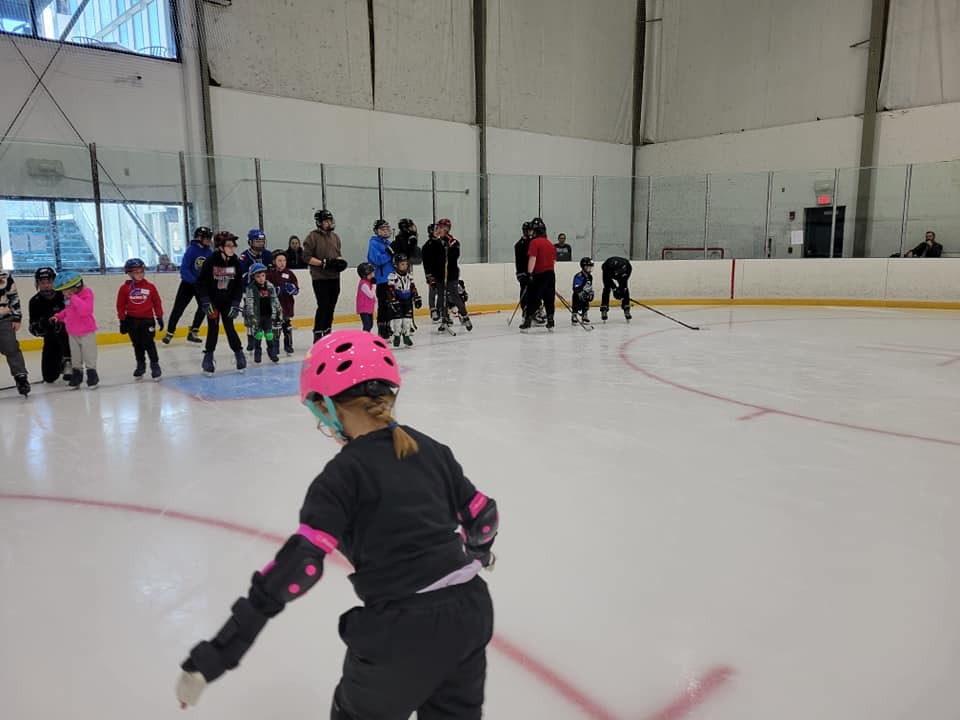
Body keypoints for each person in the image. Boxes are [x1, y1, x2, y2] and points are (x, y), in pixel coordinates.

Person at [175, 330, 497, 720]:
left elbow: (300, 567)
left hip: (402, 631)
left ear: (326, 405)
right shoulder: (430, 449)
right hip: (471, 611)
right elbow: (482, 518)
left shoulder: (340, 477)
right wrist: (479, 555)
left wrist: (218, 654)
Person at [195, 231, 247, 376]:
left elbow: (238, 286)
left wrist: (236, 303)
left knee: (230, 327)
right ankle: (208, 357)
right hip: (213, 303)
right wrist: (205, 301)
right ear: (220, 247)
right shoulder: (210, 262)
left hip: (228, 302)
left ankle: (239, 354)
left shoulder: (236, 262)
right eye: (229, 245)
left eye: (234, 245)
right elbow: (201, 284)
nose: (233, 248)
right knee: (213, 328)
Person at [303, 209, 348, 342]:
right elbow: (306, 257)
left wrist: (339, 262)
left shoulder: (335, 237)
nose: (329, 223)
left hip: (334, 277)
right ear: (319, 223)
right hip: (320, 277)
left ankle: (328, 330)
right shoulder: (312, 237)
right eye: (326, 221)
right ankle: (318, 332)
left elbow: (337, 253)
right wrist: (322, 263)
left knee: (331, 306)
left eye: (330, 221)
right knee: (323, 305)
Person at [163, 226, 213, 345]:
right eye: (207, 238)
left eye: (210, 238)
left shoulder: (209, 252)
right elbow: (184, 269)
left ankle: (193, 331)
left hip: (201, 285)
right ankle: (170, 332)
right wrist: (194, 281)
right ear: (199, 238)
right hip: (188, 284)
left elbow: (210, 269)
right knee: (179, 308)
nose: (209, 240)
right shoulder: (191, 250)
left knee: (204, 307)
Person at [116, 258, 164, 380]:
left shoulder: (150, 287)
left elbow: (157, 302)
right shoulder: (124, 289)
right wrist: (122, 320)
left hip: (147, 320)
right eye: (136, 272)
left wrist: (159, 316)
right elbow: (120, 305)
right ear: (130, 274)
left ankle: (155, 364)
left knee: (149, 343)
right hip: (131, 320)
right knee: (137, 344)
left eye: (141, 271)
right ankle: (140, 365)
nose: (139, 274)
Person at [50, 270, 98, 389]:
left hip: (87, 331)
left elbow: (86, 310)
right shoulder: (69, 298)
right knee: (75, 357)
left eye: (65, 290)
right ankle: (77, 375)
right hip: (72, 332)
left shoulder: (87, 293)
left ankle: (92, 375)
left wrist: (73, 297)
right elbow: (69, 311)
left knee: (89, 355)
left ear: (75, 287)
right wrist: (58, 316)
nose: (63, 293)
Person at [28, 266, 71, 384]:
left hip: (69, 338)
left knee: (64, 331)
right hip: (50, 340)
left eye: (49, 282)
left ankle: (69, 360)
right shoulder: (35, 301)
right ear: (37, 283)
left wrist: (62, 323)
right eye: (42, 282)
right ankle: (61, 362)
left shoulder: (63, 296)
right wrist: (42, 325)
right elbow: (33, 329)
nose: (46, 285)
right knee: (49, 377)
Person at [427, 218, 472, 332]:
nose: (439, 229)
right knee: (441, 297)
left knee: (454, 295)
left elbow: (454, 256)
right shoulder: (434, 242)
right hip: (440, 275)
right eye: (438, 227)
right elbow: (429, 255)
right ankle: (444, 319)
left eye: (442, 227)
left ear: (447, 229)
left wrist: (448, 250)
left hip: (451, 274)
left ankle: (465, 316)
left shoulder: (452, 241)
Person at [519, 217, 556, 331]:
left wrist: (529, 273)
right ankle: (550, 320)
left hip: (539, 274)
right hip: (550, 274)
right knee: (549, 298)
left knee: (534, 298)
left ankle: (528, 321)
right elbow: (553, 261)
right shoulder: (550, 244)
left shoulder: (534, 242)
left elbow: (532, 258)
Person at [244, 262, 282, 363]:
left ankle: (272, 352)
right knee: (259, 334)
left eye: (263, 275)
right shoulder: (251, 288)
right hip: (257, 316)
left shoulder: (270, 286)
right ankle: (257, 352)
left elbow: (275, 300)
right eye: (258, 276)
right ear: (253, 277)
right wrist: (251, 316)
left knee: (269, 334)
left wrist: (278, 312)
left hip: (268, 315)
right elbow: (249, 303)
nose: (261, 278)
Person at [0, 268, 30, 396]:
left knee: (11, 347)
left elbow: (13, 297)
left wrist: (17, 317)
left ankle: (21, 377)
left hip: (4, 319)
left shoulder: (4, 276)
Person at [266, 251, 300, 355]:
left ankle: (288, 346)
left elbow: (296, 288)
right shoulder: (270, 275)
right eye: (279, 260)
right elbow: (264, 289)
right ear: (274, 262)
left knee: (287, 325)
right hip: (275, 306)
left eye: (284, 260)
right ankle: (275, 347)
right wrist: (273, 291)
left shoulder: (289, 274)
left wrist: (293, 289)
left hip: (287, 304)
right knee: (276, 326)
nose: (282, 263)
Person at [367, 219, 396, 339]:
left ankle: (388, 325)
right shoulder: (374, 243)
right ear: (377, 231)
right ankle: (382, 327)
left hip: (392, 278)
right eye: (382, 229)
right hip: (382, 279)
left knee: (391, 304)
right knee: (383, 304)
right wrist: (389, 253)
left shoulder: (388, 243)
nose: (385, 231)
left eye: (386, 229)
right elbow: (377, 260)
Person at [387, 253, 422, 347]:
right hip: (398, 299)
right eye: (402, 264)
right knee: (397, 320)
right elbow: (390, 289)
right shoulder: (392, 276)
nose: (405, 266)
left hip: (407, 300)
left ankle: (406, 336)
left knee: (407, 320)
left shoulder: (409, 276)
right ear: (396, 265)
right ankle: (397, 335)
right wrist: (393, 300)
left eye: (406, 264)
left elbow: (413, 287)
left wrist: (416, 297)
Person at [600, 256, 633, 322]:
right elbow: (607, 281)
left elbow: (624, 282)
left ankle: (626, 307)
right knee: (607, 288)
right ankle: (604, 308)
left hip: (621, 276)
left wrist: (620, 290)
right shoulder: (607, 267)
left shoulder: (628, 268)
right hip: (608, 273)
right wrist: (614, 289)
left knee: (625, 288)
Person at [421, 223, 443, 322]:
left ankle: (439, 309)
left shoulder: (442, 243)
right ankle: (433, 309)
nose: (439, 231)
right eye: (436, 229)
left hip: (442, 272)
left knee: (442, 292)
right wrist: (428, 275)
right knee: (433, 291)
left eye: (439, 229)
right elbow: (426, 262)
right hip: (432, 273)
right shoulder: (427, 246)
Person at [571, 257, 595, 325]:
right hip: (578, 294)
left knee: (586, 302)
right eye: (588, 267)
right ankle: (574, 315)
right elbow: (576, 287)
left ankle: (584, 314)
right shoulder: (579, 276)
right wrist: (580, 292)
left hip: (585, 293)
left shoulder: (590, 276)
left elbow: (589, 285)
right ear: (583, 267)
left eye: (591, 267)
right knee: (576, 302)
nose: (590, 268)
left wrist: (590, 292)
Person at [355, 262, 377, 333]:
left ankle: (367, 336)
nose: (373, 275)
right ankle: (364, 337)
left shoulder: (369, 282)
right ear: (364, 275)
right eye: (371, 274)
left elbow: (373, 296)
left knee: (370, 325)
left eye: (373, 273)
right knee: (367, 325)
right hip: (364, 308)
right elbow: (370, 295)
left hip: (369, 307)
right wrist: (374, 285)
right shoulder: (363, 284)